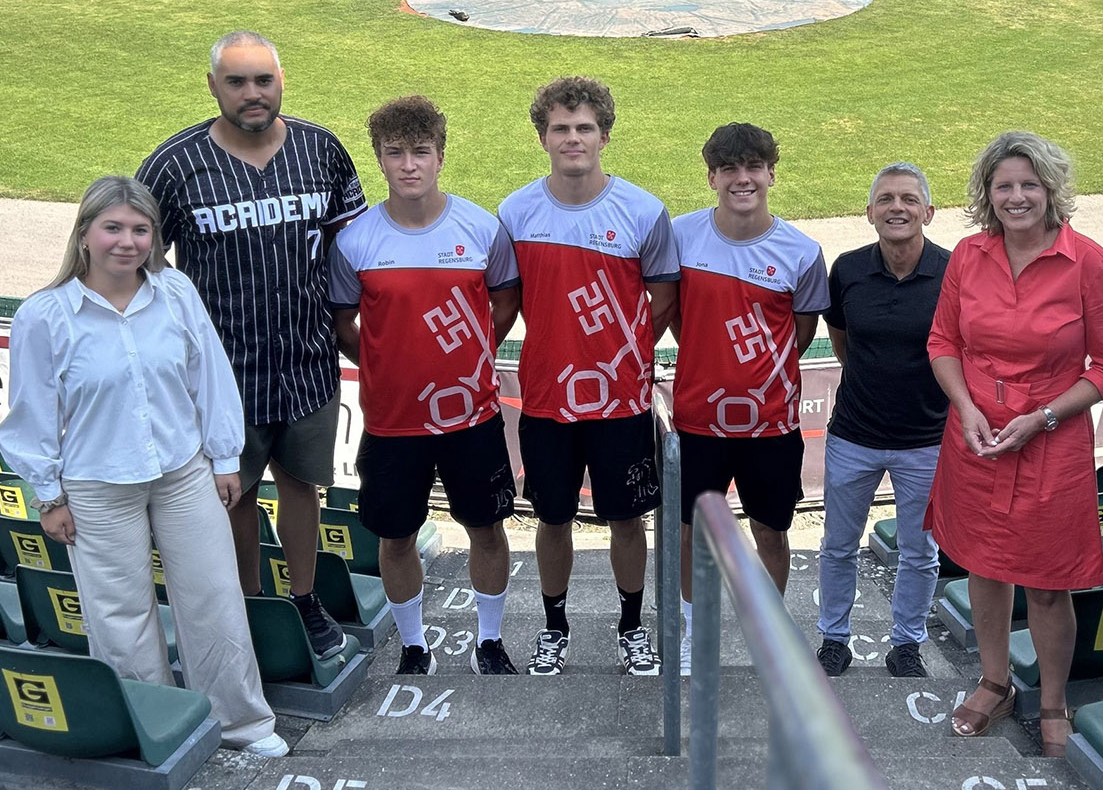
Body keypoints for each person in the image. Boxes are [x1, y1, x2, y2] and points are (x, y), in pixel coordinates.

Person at [0, 176, 288, 757]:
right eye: (113, 228)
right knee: (119, 619)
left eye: (140, 229)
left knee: (214, 597)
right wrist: (48, 496)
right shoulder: (44, 315)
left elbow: (209, 376)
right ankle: (157, 727)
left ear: (154, 237)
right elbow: (31, 412)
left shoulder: (176, 291)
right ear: (84, 235)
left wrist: (225, 458)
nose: (126, 242)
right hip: (96, 489)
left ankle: (242, 724)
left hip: (184, 474)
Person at [137, 31, 368, 660]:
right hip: (222, 370)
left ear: (281, 80)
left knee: (301, 486)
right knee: (231, 493)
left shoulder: (322, 150)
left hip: (307, 357)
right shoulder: (174, 164)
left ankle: (303, 599)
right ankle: (246, 604)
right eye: (236, 81)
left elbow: (355, 252)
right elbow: (138, 263)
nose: (252, 93)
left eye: (263, 79)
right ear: (213, 86)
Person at [926, 131, 1103, 752]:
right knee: (984, 567)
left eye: (1029, 185)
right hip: (977, 439)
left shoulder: (1091, 263)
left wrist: (1041, 417)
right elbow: (943, 343)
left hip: (1051, 442)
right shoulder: (967, 255)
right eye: (1004, 185)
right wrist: (965, 410)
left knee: (1045, 583)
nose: (1017, 197)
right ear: (987, 193)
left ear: (1051, 190)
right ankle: (994, 683)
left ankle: (1053, 700)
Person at [330, 96, 522, 676]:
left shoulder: (482, 228)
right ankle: (415, 647)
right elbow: (342, 323)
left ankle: (490, 642)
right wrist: (388, 364)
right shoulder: (355, 241)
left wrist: (469, 351)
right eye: (395, 154)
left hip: (473, 418)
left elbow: (505, 301)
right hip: (393, 424)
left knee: (486, 529)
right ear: (380, 161)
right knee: (396, 537)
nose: (408, 165)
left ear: (441, 157)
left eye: (420, 152)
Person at [498, 77, 680, 676]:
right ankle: (555, 627)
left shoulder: (643, 210)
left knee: (628, 519)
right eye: (560, 128)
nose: (572, 138)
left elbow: (662, 296)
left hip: (621, 403)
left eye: (583, 128)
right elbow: (508, 298)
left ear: (604, 134)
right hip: (548, 400)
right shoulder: (515, 212)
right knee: (551, 519)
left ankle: (632, 628)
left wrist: (619, 352)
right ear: (542, 137)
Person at [672, 123, 828, 676]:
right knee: (694, 531)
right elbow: (672, 315)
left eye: (754, 167)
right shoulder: (681, 235)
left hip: (771, 424)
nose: (743, 179)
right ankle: (692, 634)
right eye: (730, 169)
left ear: (770, 174)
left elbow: (801, 331)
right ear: (712, 176)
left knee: (771, 529)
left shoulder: (801, 251)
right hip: (697, 420)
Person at [816, 162, 948, 679]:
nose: (898, 207)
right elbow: (844, 342)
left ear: (929, 212)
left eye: (910, 199)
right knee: (837, 546)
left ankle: (908, 644)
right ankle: (833, 639)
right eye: (887, 199)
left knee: (920, 552)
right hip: (854, 437)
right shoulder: (847, 269)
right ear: (869, 212)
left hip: (928, 441)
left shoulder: (955, 270)